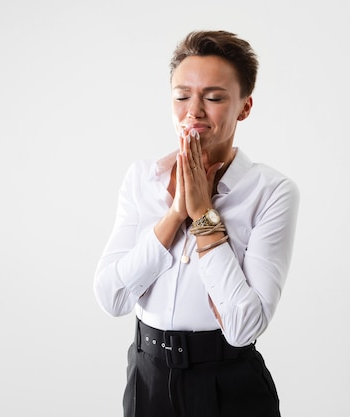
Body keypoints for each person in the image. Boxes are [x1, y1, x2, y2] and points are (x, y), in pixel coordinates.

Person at [93, 30, 299, 417]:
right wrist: (175, 215)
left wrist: (204, 217)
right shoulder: (143, 179)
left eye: (214, 97)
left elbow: (242, 326)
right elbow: (111, 297)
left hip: (228, 384)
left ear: (244, 107)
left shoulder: (272, 191)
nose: (194, 111)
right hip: (146, 378)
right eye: (182, 95)